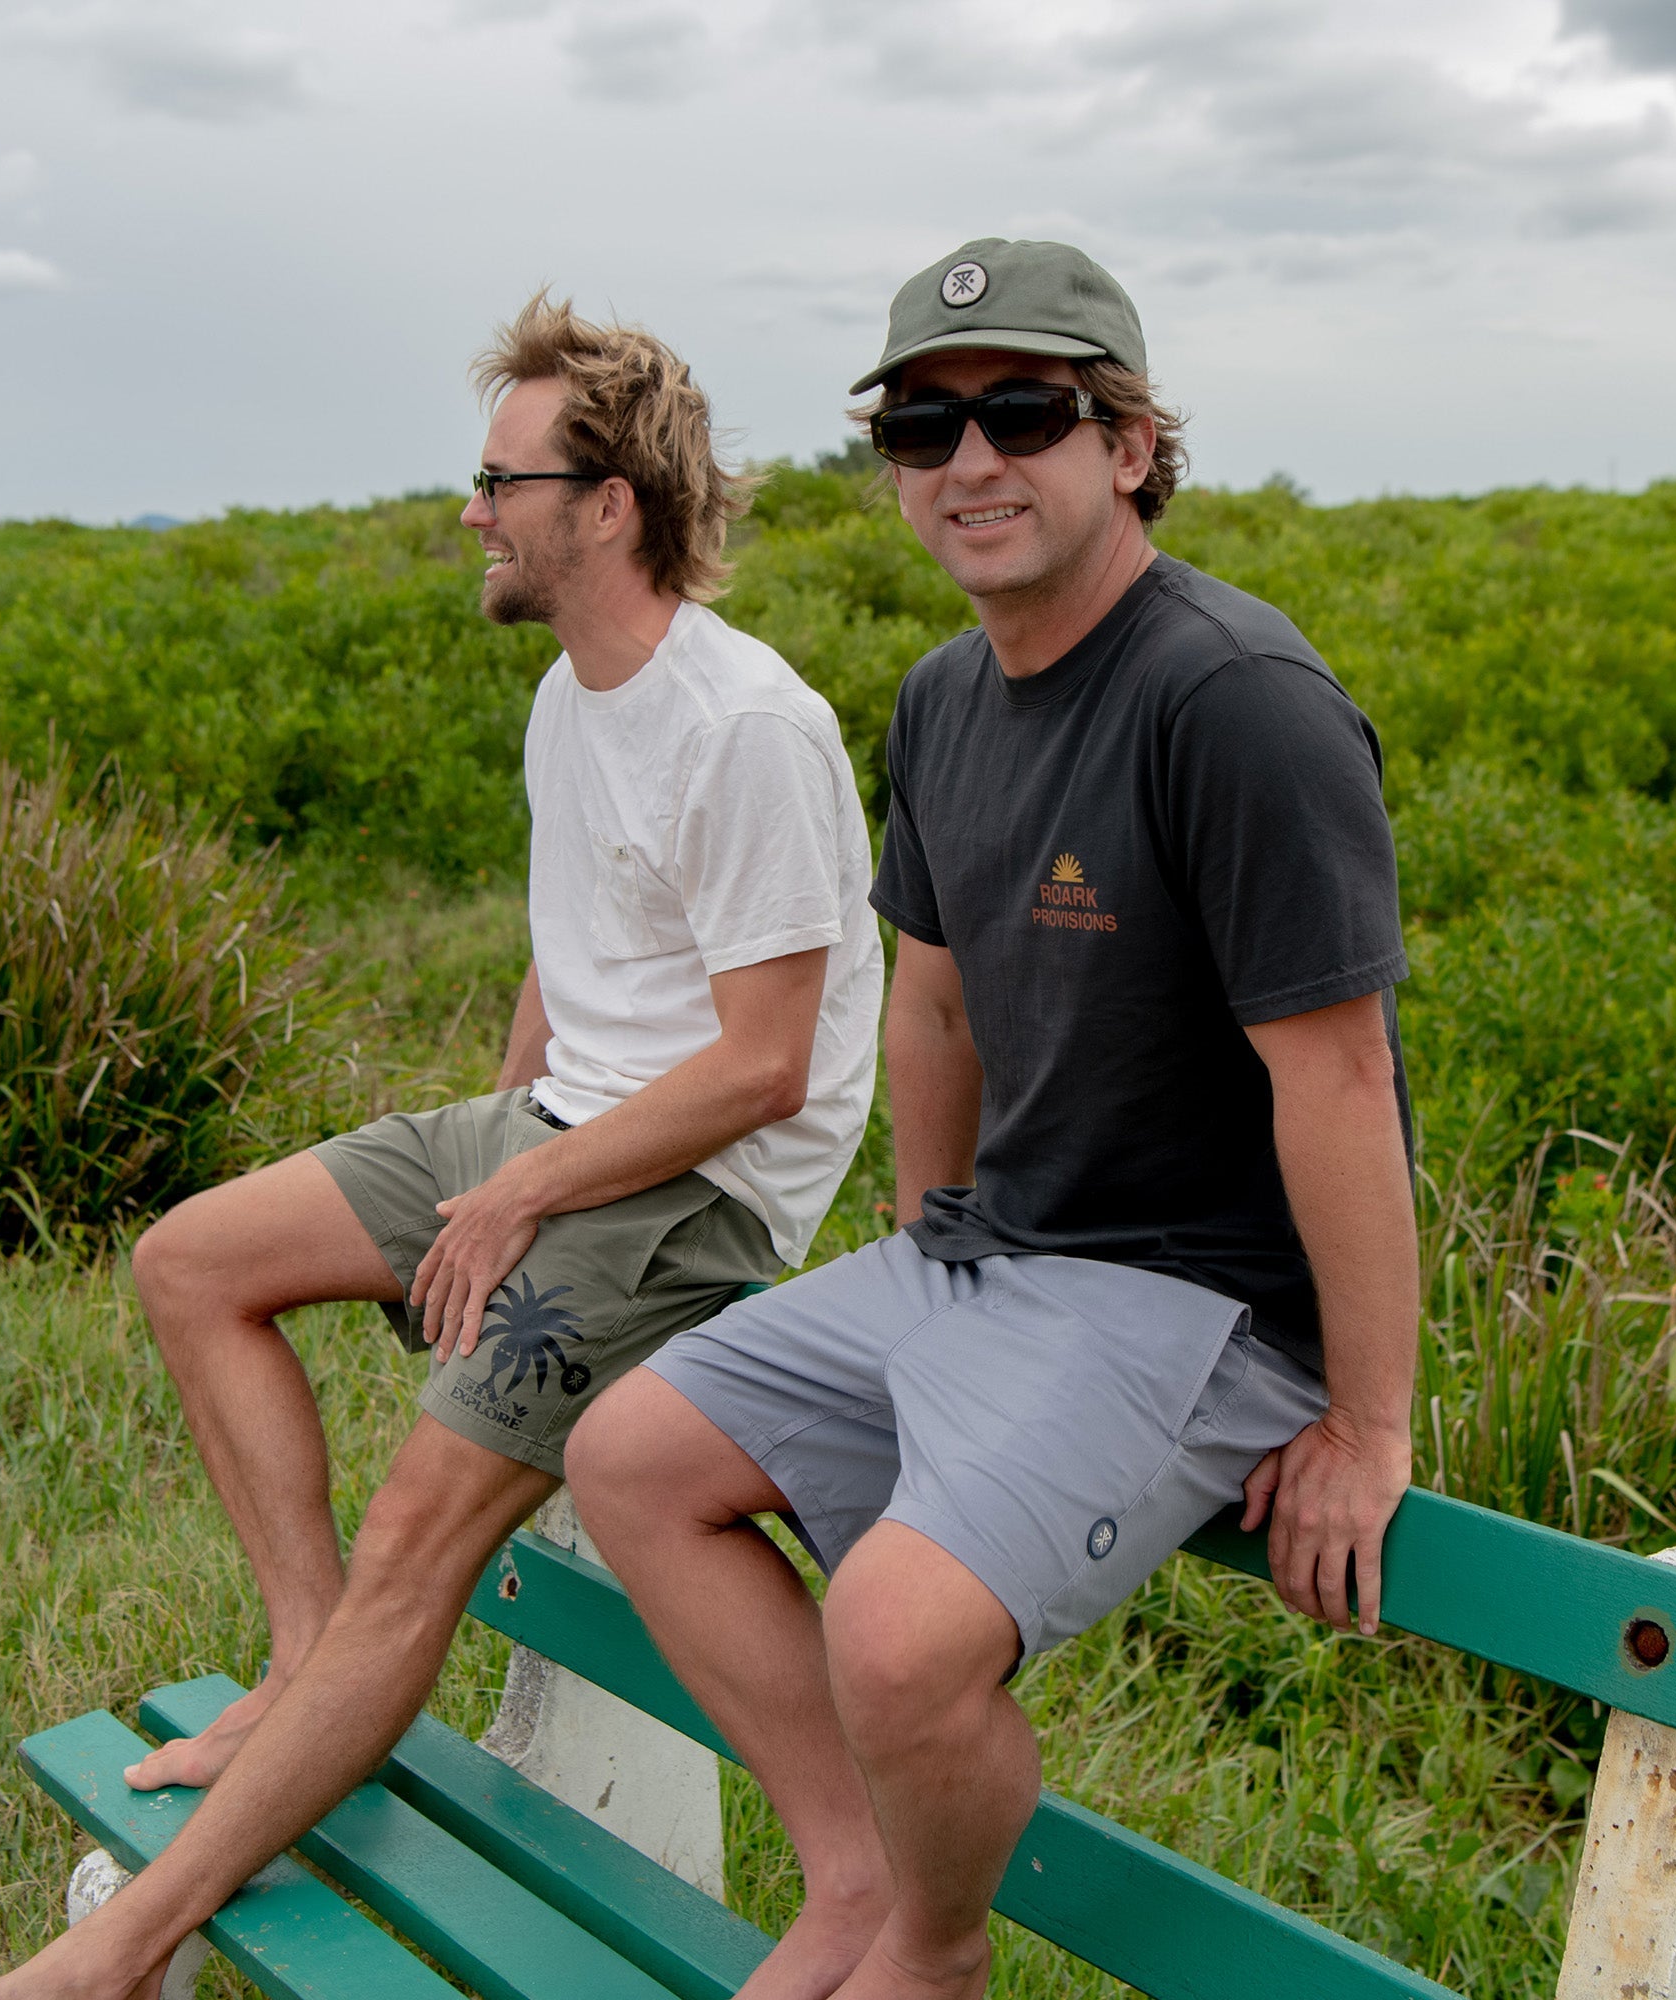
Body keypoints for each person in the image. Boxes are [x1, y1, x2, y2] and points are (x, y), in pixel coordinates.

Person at [0, 293, 884, 1999]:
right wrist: (484, 1163)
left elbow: (765, 1070)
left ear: (606, 505)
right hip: (561, 1128)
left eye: (499, 481)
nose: (471, 512)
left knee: (416, 1540)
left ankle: (124, 1946)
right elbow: (572, 958)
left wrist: (524, 1193)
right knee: (190, 1263)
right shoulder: (570, 697)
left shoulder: (747, 728)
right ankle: (306, 1665)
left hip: (692, 1194)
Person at [568, 237, 1420, 2000]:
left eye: (1025, 413)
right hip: (998, 1256)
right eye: (922, 427)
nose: (970, 460)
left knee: (894, 1640)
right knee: (630, 1457)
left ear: (1130, 444)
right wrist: (922, 1244)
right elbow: (937, 1000)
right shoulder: (945, 699)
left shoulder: (1234, 702)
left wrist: (1366, 1417)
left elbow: (1339, 1077)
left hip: (1195, 1298)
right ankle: (858, 1878)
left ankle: (932, 1954)